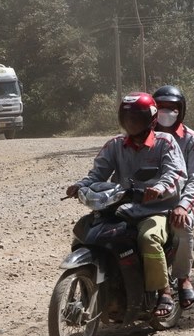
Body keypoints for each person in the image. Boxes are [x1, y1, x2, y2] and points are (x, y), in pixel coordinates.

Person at [66, 92, 187, 317]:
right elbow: (97, 174)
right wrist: (80, 186)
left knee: (148, 238)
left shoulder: (165, 142)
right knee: (85, 232)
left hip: (156, 209)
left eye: (137, 118)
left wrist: (159, 188)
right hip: (121, 208)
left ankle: (164, 292)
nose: (132, 123)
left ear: (150, 119)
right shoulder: (115, 145)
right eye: (128, 118)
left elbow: (175, 173)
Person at [152, 85, 194, 310]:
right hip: (144, 201)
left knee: (181, 226)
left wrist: (184, 206)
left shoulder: (192, 140)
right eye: (161, 107)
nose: (166, 112)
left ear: (181, 110)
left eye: (172, 108)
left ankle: (183, 277)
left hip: (177, 203)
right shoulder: (142, 135)